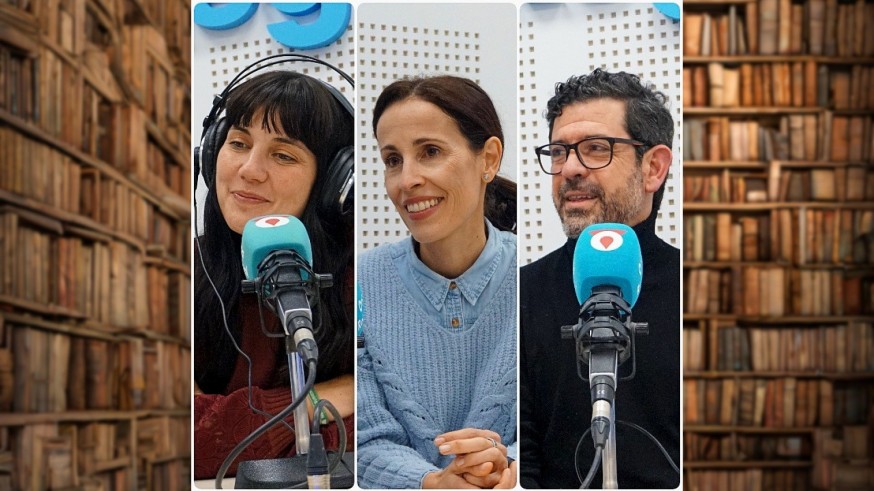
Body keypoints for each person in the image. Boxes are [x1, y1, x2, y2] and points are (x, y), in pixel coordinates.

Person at [519, 69, 681, 488]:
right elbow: (523, 458)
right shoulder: (520, 294)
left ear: (654, 167)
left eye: (595, 149)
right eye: (558, 152)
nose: (570, 168)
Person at [357, 75, 518, 489]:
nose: (406, 180)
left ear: (489, 159)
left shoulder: (542, 274)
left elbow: (563, 423)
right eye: (393, 160)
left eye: (429, 152)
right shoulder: (360, 282)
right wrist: (430, 482)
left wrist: (509, 467)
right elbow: (365, 440)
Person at [193, 70, 355, 480]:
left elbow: (370, 440)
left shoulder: (364, 281)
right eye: (238, 144)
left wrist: (232, 417)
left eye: (283, 155)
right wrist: (325, 397)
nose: (249, 169)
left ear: (334, 181)